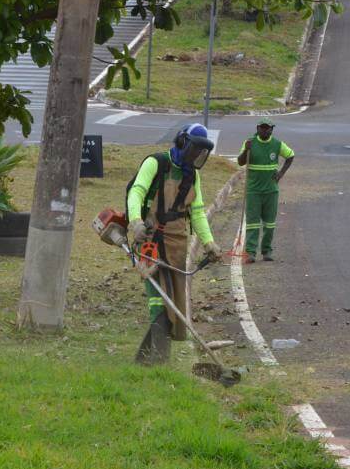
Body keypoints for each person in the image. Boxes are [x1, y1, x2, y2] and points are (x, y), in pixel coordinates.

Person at [126, 123, 223, 365]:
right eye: (192, 150)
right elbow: (136, 192)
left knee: (175, 300)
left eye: (200, 153)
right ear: (181, 142)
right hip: (151, 240)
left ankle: (146, 361)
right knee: (159, 300)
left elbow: (197, 212)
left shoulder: (193, 175)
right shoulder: (156, 163)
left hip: (178, 242)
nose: (194, 157)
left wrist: (209, 243)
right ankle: (158, 362)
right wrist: (135, 222)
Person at [237, 117, 294, 262]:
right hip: (253, 191)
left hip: (271, 191)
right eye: (261, 127)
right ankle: (250, 253)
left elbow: (290, 156)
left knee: (270, 224)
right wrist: (246, 150)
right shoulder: (249, 142)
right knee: (252, 223)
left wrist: (281, 173)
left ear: (271, 129)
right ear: (257, 129)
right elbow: (240, 162)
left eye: (267, 128)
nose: (264, 130)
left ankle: (267, 251)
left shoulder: (277, 144)